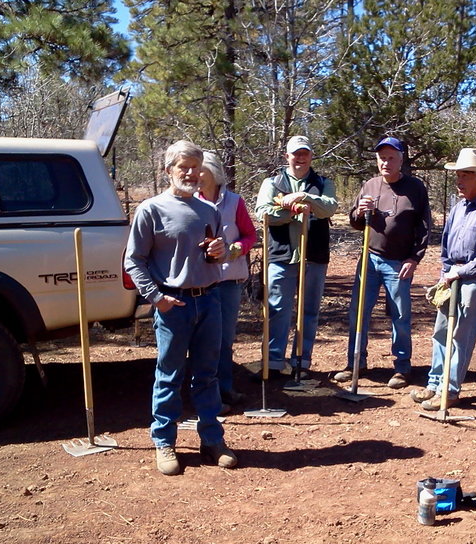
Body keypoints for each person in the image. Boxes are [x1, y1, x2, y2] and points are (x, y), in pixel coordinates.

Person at [124, 140, 238, 475]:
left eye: (195, 167)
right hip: (174, 304)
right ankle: (164, 442)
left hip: (210, 298)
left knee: (208, 375)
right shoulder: (151, 210)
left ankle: (212, 441)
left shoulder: (209, 211)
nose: (190, 173)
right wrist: (156, 297)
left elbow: (217, 254)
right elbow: (134, 261)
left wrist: (222, 250)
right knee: (169, 375)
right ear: (168, 170)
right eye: (183, 167)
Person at [410, 148, 476, 410]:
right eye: (458, 174)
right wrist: (446, 272)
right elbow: (446, 246)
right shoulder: (457, 209)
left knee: (460, 336)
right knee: (441, 331)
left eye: (466, 174)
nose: (459, 180)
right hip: (451, 275)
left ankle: (450, 391)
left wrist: (460, 272)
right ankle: (434, 384)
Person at [334, 136, 431, 389]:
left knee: (400, 315)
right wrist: (359, 212)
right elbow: (355, 221)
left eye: (391, 158)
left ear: (401, 159)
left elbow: (424, 226)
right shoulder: (370, 185)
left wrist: (414, 257)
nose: (385, 162)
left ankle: (402, 367)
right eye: (382, 158)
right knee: (359, 312)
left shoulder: (415, 188)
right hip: (369, 258)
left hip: (399, 262)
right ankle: (355, 362)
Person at [254, 135, 338, 378]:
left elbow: (329, 207)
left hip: (314, 257)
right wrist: (292, 212)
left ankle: (302, 360)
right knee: (277, 309)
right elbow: (263, 213)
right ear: (286, 156)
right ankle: (273, 362)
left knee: (309, 310)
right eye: (295, 153)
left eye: (305, 153)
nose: (300, 158)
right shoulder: (273, 183)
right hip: (281, 257)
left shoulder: (323, 183)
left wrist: (306, 198)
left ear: (311, 155)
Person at [197, 152, 257, 413]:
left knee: (225, 339)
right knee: (204, 341)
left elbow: (250, 235)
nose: (194, 175)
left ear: (212, 172)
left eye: (200, 169)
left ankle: (226, 389)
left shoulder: (234, 202)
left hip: (229, 282)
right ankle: (206, 394)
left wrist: (235, 250)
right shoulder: (189, 202)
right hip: (200, 282)